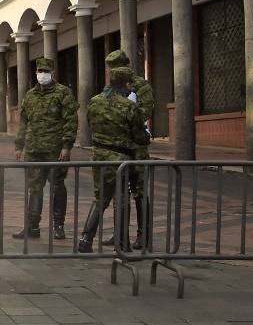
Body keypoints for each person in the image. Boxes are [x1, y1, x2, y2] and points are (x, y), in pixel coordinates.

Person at [77, 67, 149, 253]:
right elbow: (140, 137)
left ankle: (86, 239)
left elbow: (90, 124)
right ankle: (122, 243)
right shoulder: (128, 106)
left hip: (99, 156)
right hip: (120, 159)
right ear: (126, 83)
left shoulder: (94, 102)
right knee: (122, 200)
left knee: (101, 198)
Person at [13, 57, 78, 240]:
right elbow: (24, 122)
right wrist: (19, 145)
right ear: (36, 73)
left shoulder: (63, 93)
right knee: (34, 188)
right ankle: (32, 226)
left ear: (52, 73)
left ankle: (58, 225)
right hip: (34, 150)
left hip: (54, 150)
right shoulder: (30, 95)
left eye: (46, 71)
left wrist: (67, 146)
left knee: (57, 186)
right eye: (40, 71)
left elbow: (70, 121)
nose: (42, 74)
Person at [101, 49, 155, 250]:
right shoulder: (111, 87)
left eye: (116, 67)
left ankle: (144, 235)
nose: (113, 72)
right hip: (118, 146)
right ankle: (120, 233)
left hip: (137, 147)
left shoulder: (141, 86)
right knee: (119, 193)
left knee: (139, 192)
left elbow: (144, 113)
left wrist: (126, 110)